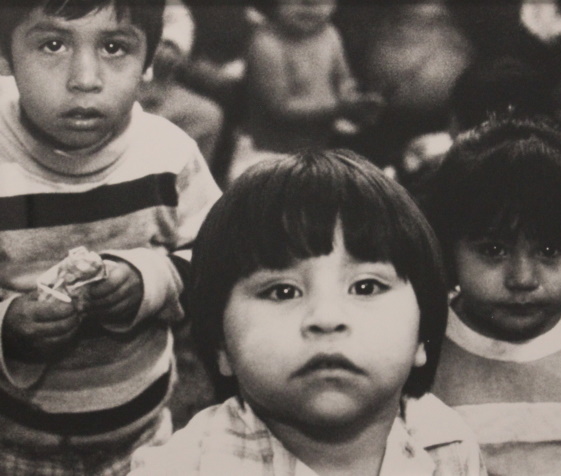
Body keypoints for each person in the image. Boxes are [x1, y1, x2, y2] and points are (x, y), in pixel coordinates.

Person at [129, 149, 486, 475]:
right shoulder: (185, 468)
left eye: (365, 287)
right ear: (221, 344)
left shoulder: (447, 445)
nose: (326, 318)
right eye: (283, 291)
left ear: (423, 332)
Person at [0, 0, 221, 474]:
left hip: (141, 442)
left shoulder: (169, 155)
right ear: (5, 55)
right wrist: (7, 324)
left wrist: (152, 279)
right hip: (14, 447)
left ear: (149, 62)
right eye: (53, 44)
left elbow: (218, 256)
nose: (85, 78)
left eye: (115, 47)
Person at [422, 115, 561, 475]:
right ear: (449, 247)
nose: (522, 279)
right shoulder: (420, 346)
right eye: (493, 250)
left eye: (549, 251)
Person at [227, 0, 382, 183]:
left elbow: (343, 79)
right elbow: (280, 108)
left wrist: (355, 98)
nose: (310, 4)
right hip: (267, 154)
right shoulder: (266, 43)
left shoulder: (329, 34)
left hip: (318, 150)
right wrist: (341, 107)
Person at [138, 0, 224, 167]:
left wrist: (171, 46)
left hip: (157, 84)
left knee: (206, 115)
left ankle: (184, 188)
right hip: (109, 84)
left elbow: (178, 21)